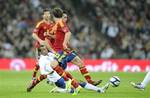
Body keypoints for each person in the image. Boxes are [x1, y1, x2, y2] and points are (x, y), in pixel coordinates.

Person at [48, 8, 102, 86]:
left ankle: (90, 81)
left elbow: (59, 37)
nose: (66, 19)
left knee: (80, 62)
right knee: (57, 68)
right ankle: (66, 82)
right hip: (60, 51)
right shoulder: (60, 24)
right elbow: (68, 33)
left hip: (65, 50)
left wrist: (70, 48)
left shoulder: (58, 25)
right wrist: (64, 43)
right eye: (64, 17)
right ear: (60, 17)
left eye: (66, 17)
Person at [31, 8, 55, 83]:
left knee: (50, 62)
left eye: (48, 14)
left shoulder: (52, 24)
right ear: (43, 15)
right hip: (40, 47)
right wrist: (40, 40)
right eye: (45, 14)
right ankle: (34, 77)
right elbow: (33, 34)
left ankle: (50, 78)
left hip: (49, 47)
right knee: (39, 63)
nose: (47, 15)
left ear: (50, 15)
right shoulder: (40, 24)